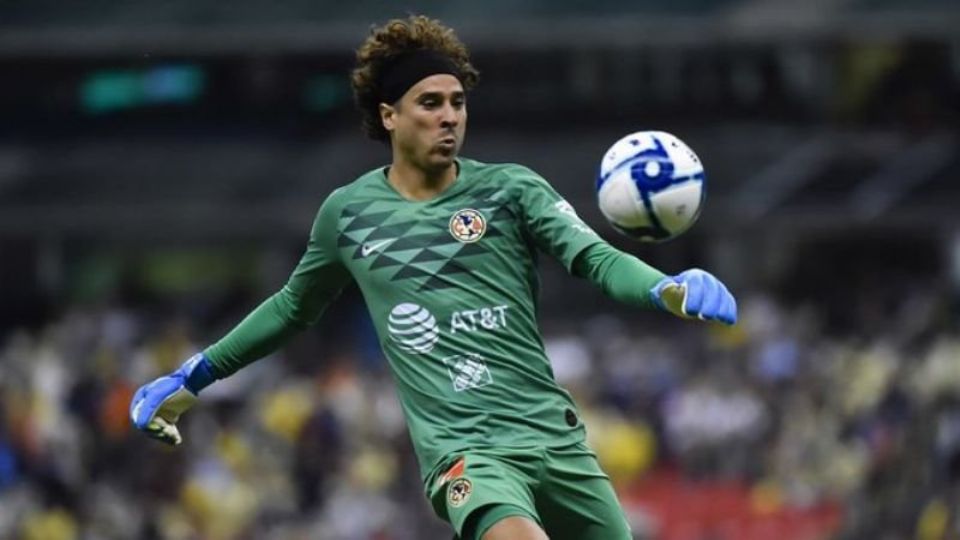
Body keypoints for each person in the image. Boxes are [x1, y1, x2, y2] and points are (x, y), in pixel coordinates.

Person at [129, 15, 737, 540]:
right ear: (389, 115)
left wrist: (663, 288)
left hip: (557, 442)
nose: (449, 117)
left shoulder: (511, 189)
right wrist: (194, 375)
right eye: (430, 103)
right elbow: (292, 308)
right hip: (467, 454)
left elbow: (597, 260)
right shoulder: (349, 214)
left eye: (457, 102)